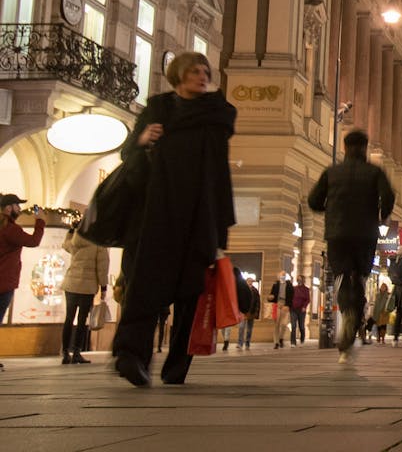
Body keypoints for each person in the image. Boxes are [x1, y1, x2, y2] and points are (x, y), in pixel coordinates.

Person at [110, 52, 237, 388]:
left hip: (199, 215)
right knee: (144, 287)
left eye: (205, 71)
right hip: (155, 212)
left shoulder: (217, 114)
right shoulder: (157, 109)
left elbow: (219, 173)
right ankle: (131, 356)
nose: (202, 76)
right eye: (195, 71)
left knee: (191, 295)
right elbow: (128, 154)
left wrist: (220, 231)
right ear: (178, 74)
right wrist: (142, 140)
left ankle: (177, 365)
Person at [308, 128, 397, 362]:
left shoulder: (332, 172)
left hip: (337, 234)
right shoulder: (374, 172)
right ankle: (353, 316)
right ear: (365, 148)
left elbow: (313, 200)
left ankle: (347, 312)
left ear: (345, 148)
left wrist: (329, 210)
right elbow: (388, 197)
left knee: (342, 277)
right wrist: (382, 215)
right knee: (360, 278)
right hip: (365, 234)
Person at [0, 194, 45, 348]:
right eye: (17, 205)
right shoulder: (10, 229)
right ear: (8, 208)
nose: (19, 209)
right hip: (4, 282)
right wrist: (40, 220)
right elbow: (33, 241)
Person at [60, 224, 108, 364]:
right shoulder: (98, 243)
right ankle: (76, 352)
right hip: (87, 287)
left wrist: (70, 231)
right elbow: (102, 267)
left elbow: (65, 244)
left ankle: (65, 353)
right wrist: (103, 287)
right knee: (82, 320)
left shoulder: (76, 241)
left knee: (69, 318)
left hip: (71, 284)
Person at [220, 267, 256, 351]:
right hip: (233, 308)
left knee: (239, 327)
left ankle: (228, 341)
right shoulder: (231, 283)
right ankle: (228, 340)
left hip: (237, 309)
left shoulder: (238, 284)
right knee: (226, 327)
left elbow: (248, 297)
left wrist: (245, 310)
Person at [269, 274, 293, 348]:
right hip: (277, 304)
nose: (282, 276)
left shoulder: (289, 285)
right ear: (278, 276)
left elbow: (292, 297)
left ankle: (281, 338)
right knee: (276, 324)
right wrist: (270, 297)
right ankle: (276, 342)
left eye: (284, 275)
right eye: (281, 275)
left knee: (284, 324)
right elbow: (271, 295)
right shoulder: (275, 285)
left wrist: (288, 305)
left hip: (285, 304)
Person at [290, 275, 311, 346]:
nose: (299, 280)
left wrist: (304, 306)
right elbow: (290, 298)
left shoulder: (306, 289)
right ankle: (293, 342)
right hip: (293, 309)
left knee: (301, 326)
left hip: (301, 310)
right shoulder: (294, 288)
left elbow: (308, 299)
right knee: (293, 326)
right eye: (298, 279)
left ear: (303, 280)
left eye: (300, 279)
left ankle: (302, 340)